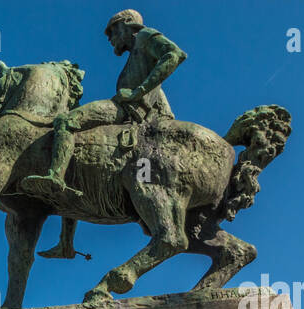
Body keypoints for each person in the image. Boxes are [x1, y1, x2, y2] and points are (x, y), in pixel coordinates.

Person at [23, 9, 187, 211]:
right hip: (129, 108)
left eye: (112, 31)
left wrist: (138, 92)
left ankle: (55, 177)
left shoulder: (145, 36)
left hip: (124, 108)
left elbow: (174, 54)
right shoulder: (139, 52)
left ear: (127, 24)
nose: (110, 39)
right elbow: (160, 100)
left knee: (65, 121)